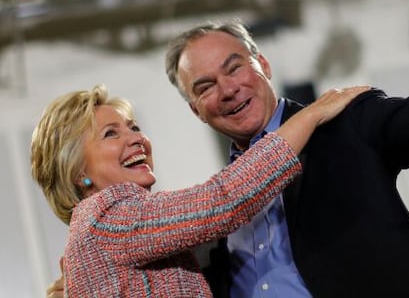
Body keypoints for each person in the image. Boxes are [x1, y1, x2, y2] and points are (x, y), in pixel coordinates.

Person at [33, 84, 366, 297]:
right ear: (77, 171)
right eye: (110, 134)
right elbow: (223, 201)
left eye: (134, 127)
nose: (137, 138)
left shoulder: (109, 228)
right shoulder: (106, 215)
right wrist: (312, 114)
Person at [164, 21, 409, 298]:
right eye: (206, 87)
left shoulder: (345, 124)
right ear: (195, 110)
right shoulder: (218, 209)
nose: (227, 90)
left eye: (234, 68)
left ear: (264, 65)